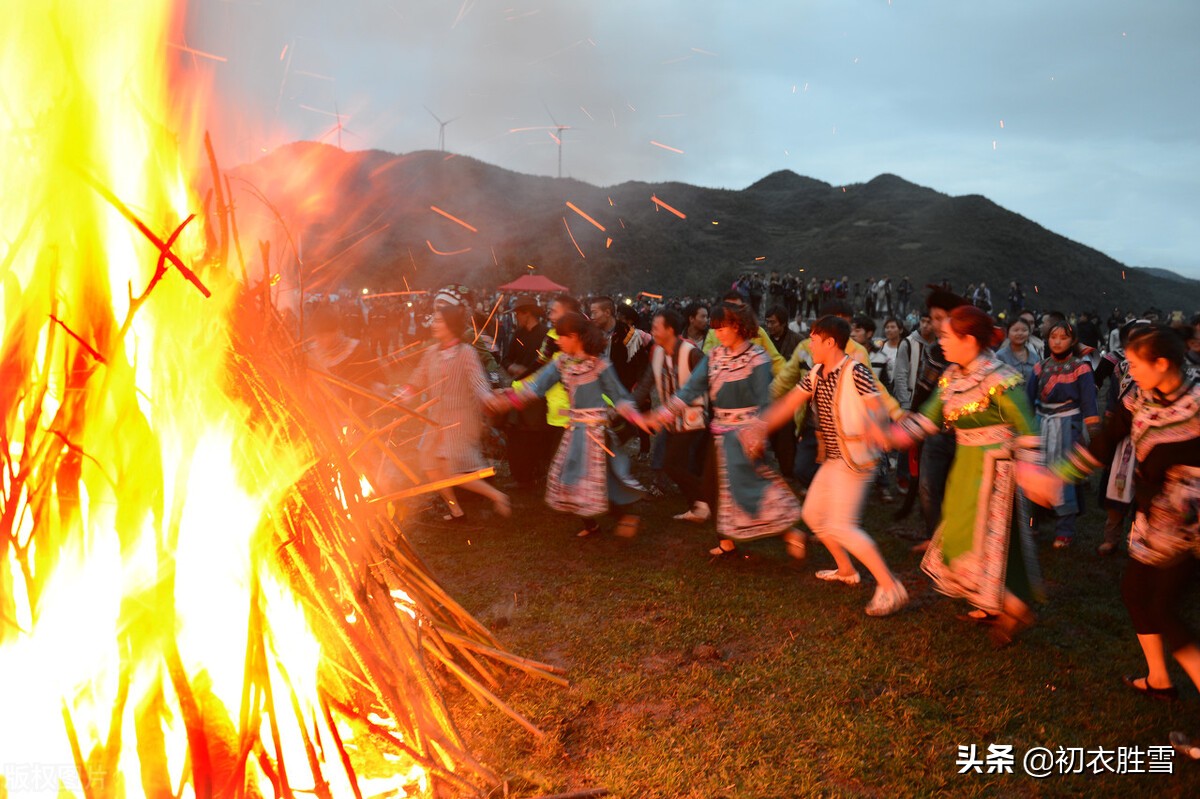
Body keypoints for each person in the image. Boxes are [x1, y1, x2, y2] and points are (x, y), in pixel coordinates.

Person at [1021, 326, 1200, 754]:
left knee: (1165, 609)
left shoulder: (1197, 404)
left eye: (1136, 363)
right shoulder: (1140, 397)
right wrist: (1056, 476)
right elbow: (1107, 438)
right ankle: (1159, 680)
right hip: (1155, 516)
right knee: (1136, 592)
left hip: (1191, 527)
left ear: (1162, 364)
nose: (1129, 370)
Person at [889, 305, 1046, 646]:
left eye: (946, 336)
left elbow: (1028, 427)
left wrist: (1033, 472)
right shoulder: (953, 378)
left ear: (969, 339)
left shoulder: (1000, 378)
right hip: (966, 467)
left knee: (990, 542)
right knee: (962, 536)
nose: (940, 341)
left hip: (996, 471)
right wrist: (892, 435)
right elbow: (928, 419)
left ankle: (1014, 607)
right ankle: (992, 604)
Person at [757, 316, 909, 616]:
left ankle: (890, 586)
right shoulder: (816, 373)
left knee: (841, 525)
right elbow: (790, 404)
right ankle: (845, 570)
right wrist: (760, 425)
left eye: (813, 340)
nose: (809, 345)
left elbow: (876, 406)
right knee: (814, 515)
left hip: (857, 458)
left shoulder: (856, 371)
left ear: (829, 342)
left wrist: (877, 427)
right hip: (835, 459)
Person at [651, 302, 804, 557]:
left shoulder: (757, 358)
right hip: (720, 433)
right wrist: (666, 412)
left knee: (748, 492)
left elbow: (763, 400)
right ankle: (727, 542)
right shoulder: (714, 356)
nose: (718, 333)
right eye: (716, 328)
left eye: (724, 328)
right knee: (713, 489)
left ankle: (789, 533)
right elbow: (691, 388)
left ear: (739, 327)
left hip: (745, 435)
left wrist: (757, 434)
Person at [488, 312, 644, 537]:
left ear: (574, 337)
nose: (557, 341)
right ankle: (590, 524)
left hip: (597, 432)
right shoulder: (561, 362)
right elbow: (536, 387)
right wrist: (509, 401)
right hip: (575, 430)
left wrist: (639, 418)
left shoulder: (599, 365)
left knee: (604, 479)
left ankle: (625, 516)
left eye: (561, 336)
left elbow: (619, 396)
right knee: (570, 476)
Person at [398, 304, 512, 521]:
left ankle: (497, 496)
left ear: (451, 325)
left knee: (452, 471)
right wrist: (402, 394)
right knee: (430, 464)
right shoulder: (432, 353)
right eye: (434, 319)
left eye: (439, 320)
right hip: (435, 419)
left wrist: (490, 399)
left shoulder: (466, 353)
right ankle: (456, 511)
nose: (434, 324)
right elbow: (417, 378)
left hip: (460, 420)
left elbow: (478, 383)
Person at [1027, 321, 1099, 549]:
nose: (1057, 341)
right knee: (1035, 473)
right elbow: (1028, 400)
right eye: (1053, 337)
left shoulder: (1081, 368)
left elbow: (1089, 401)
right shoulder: (1040, 367)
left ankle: (1064, 530)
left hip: (1068, 425)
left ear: (1072, 341)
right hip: (1041, 424)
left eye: (1063, 337)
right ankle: (1032, 524)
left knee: (1063, 476)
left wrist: (1093, 429)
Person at [633, 309, 710, 521]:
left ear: (670, 330)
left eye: (656, 327)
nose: (652, 331)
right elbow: (646, 384)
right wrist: (627, 406)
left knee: (673, 464)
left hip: (694, 420)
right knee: (676, 464)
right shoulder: (657, 353)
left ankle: (703, 502)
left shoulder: (691, 352)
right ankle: (699, 506)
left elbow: (706, 383)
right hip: (670, 421)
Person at [702, 291, 786, 374]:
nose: (734, 314)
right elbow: (705, 363)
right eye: (729, 309)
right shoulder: (714, 333)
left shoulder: (757, 332)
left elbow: (776, 361)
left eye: (737, 309)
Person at [589, 296, 650, 391]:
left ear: (607, 313)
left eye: (595, 313)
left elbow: (642, 366)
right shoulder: (592, 335)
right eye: (591, 313)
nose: (592, 317)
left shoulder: (628, 334)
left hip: (624, 392)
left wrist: (634, 392)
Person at [502, 295, 548, 381]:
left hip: (538, 386)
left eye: (517, 313)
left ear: (527, 314)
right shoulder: (518, 333)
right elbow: (505, 360)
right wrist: (513, 368)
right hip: (519, 384)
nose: (516, 317)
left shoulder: (546, 334)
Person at [995, 317, 1036, 386]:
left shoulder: (1035, 357)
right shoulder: (999, 356)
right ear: (1008, 333)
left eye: (1024, 330)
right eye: (1015, 330)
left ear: (1029, 333)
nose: (1020, 333)